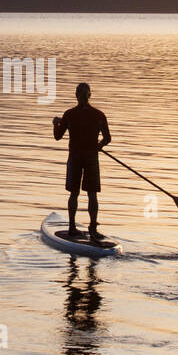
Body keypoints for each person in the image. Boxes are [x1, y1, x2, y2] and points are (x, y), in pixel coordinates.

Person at [52, 82, 111, 238]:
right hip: (92, 157)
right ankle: (92, 228)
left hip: (75, 157)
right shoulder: (99, 115)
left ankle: (72, 227)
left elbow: (57, 136)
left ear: (76, 96)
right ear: (89, 95)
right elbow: (107, 139)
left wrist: (56, 124)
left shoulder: (69, 114)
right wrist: (99, 145)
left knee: (74, 193)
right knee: (92, 194)